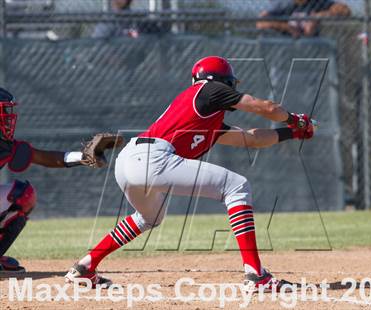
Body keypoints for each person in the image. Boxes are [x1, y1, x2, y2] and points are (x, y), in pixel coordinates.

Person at [65, 56, 316, 291]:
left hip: (131, 161)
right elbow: (268, 108)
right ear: (223, 81)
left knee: (149, 218)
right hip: (153, 158)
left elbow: (252, 139)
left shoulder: (209, 115)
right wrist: (295, 119)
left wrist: (292, 133)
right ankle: (257, 275)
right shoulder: (209, 89)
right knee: (237, 187)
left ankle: (85, 267)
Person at [0, 88, 119, 272]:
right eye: (4, 111)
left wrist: (83, 157)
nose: (8, 117)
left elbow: (43, 157)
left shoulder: (4, 146)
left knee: (23, 195)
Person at [256, 0, 351, 38]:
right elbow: (260, 23)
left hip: (310, 58)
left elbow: (346, 11)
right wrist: (288, 28)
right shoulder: (285, 4)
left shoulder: (317, 2)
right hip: (284, 58)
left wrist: (319, 16)